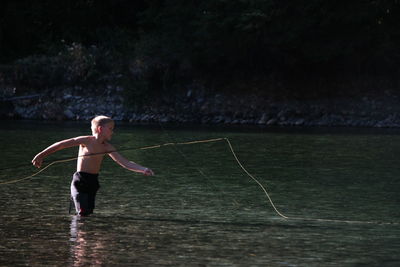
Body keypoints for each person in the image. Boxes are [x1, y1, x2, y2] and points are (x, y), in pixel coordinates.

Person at [32, 115, 154, 216]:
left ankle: (86, 240)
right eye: (111, 128)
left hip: (93, 183)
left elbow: (124, 162)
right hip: (80, 180)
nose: (113, 131)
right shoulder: (86, 141)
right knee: (82, 212)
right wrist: (41, 155)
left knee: (88, 214)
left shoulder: (107, 147)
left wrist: (143, 169)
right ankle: (79, 240)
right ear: (100, 129)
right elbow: (60, 144)